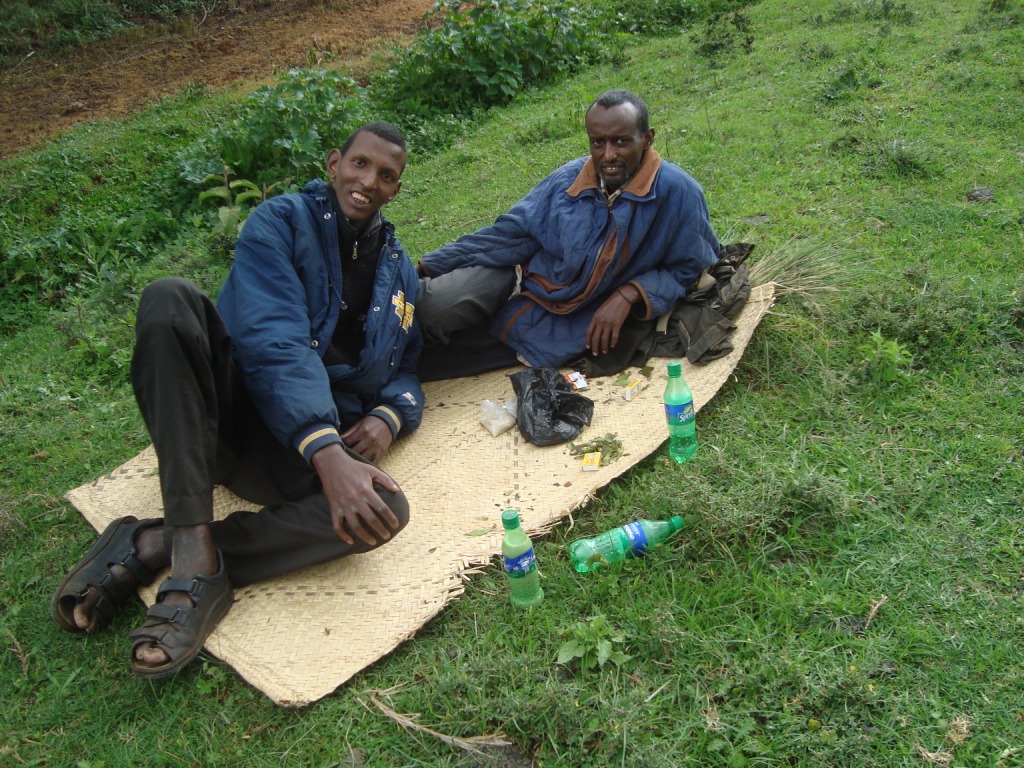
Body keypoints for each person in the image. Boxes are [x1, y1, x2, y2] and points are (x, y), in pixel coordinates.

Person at [51, 122, 423, 679]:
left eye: (386, 175)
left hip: (291, 457)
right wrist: (325, 448)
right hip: (232, 424)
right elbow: (274, 339)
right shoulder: (280, 222)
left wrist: (388, 416)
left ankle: (159, 543)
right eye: (361, 164)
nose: (369, 182)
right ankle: (195, 562)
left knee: (383, 511)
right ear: (334, 163)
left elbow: (410, 364)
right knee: (168, 299)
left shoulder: (401, 275)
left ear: (397, 189)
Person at [415, 89, 722, 381]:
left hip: (570, 320)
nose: (608, 155)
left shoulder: (678, 192)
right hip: (521, 286)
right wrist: (426, 266)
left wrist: (629, 293)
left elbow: (691, 267)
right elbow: (510, 234)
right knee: (430, 311)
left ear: (647, 138)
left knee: (433, 360)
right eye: (597, 142)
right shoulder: (569, 179)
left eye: (621, 142)